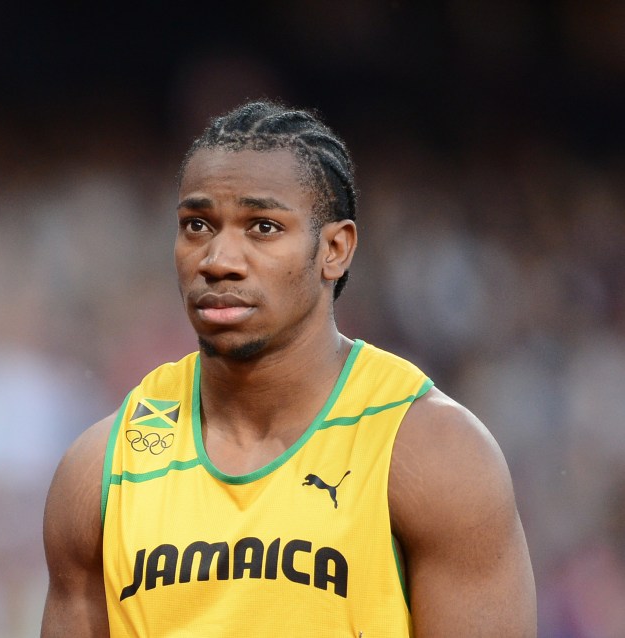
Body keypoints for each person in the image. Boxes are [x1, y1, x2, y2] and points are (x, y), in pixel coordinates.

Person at [40, 100, 537, 637]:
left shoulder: (432, 453)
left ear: (335, 249)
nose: (218, 259)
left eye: (263, 227)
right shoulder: (101, 469)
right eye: (198, 224)